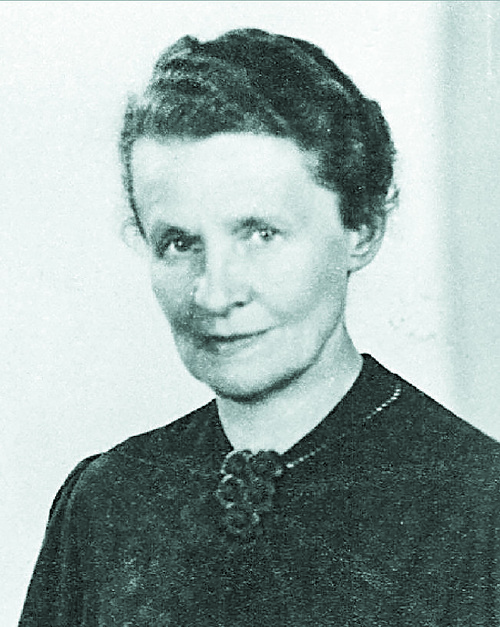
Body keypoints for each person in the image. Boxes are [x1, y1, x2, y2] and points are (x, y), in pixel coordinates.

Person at [19, 28, 500, 626]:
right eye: (179, 243)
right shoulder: (106, 500)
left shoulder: (479, 504)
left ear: (362, 230)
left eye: (260, 234)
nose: (214, 293)